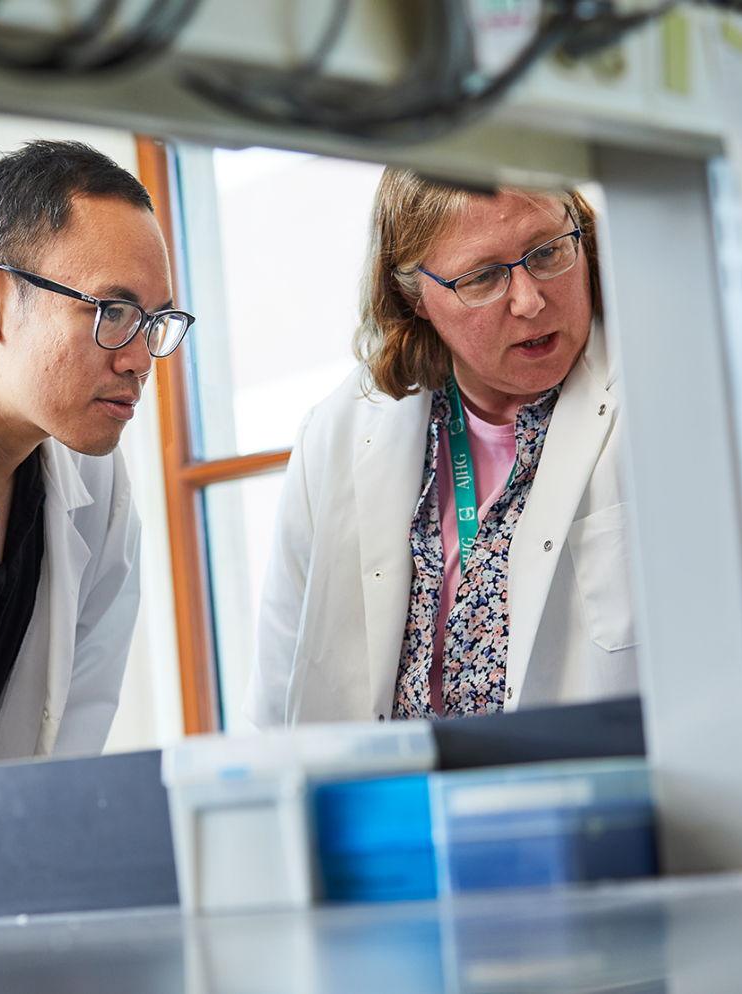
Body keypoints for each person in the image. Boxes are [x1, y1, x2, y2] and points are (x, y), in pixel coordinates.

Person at [247, 169, 637, 728]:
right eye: (481, 278)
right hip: (398, 804)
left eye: (548, 252)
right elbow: (275, 706)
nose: (529, 300)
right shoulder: (334, 438)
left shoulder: (653, 394)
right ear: (415, 298)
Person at [0, 139, 194, 768]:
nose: (139, 359)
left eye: (155, 321)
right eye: (113, 311)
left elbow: (68, 747)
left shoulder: (100, 489)